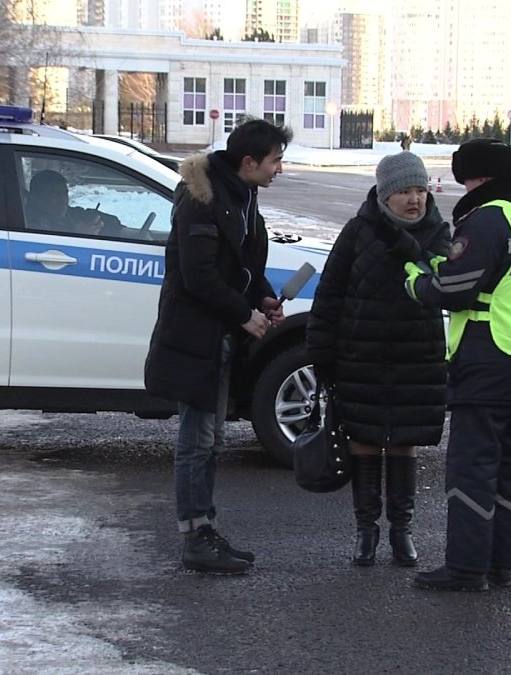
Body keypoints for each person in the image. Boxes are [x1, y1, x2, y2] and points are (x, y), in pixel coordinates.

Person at [403, 139, 511, 592]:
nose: (463, 185)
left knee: (473, 466)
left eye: (466, 177)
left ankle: (466, 568)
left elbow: (458, 288)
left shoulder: (488, 219)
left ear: (481, 178)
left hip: (488, 358)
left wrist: (417, 280)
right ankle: (500, 564)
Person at [143, 119, 291, 575]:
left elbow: (240, 265)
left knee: (212, 439)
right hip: (195, 335)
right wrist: (244, 315)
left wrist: (262, 296)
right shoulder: (203, 196)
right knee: (197, 439)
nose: (279, 170)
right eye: (275, 161)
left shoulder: (242, 195)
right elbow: (199, 276)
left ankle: (205, 528)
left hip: (219, 336)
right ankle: (194, 536)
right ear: (249, 162)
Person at [306, 152, 451, 568]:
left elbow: (438, 280)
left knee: (404, 444)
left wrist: (398, 239)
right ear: (385, 194)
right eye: (404, 191)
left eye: (420, 190)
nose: (414, 199)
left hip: (415, 358)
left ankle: (401, 531)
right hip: (361, 354)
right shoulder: (357, 232)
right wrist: (321, 350)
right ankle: (366, 531)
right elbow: (329, 293)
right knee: (365, 442)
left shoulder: (439, 234)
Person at [25, 169, 113, 235]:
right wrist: (78, 235)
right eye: (54, 195)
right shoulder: (27, 223)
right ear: (35, 198)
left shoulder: (67, 214)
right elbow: (50, 251)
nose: (63, 200)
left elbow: (83, 213)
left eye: (65, 194)